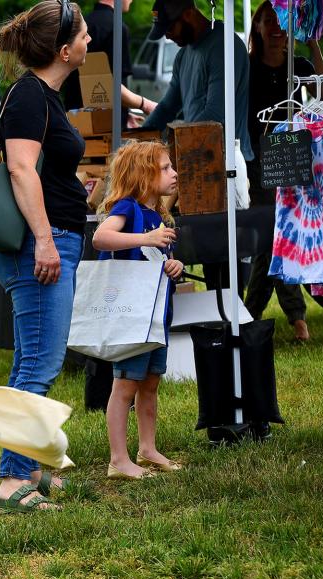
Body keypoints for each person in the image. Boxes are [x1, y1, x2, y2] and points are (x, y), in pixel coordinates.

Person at [0, 0, 91, 512]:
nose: (91, 43)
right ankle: (11, 480)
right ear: (64, 49)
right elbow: (21, 170)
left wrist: (77, 187)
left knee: (30, 359)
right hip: (39, 248)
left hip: (49, 241)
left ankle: (25, 466)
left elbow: (43, 171)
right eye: (86, 36)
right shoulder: (30, 96)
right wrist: (47, 240)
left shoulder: (43, 95)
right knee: (41, 365)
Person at [142, 0, 252, 292]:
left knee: (228, 251)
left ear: (188, 13)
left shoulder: (225, 46)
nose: (168, 36)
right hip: (197, 164)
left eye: (170, 28)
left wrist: (171, 145)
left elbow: (214, 117)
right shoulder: (183, 56)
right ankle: (219, 320)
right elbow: (168, 105)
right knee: (209, 250)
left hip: (225, 163)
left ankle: (233, 320)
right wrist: (140, 139)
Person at [93, 141, 185, 479]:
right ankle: (118, 459)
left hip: (155, 316)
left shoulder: (158, 216)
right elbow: (101, 238)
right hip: (131, 317)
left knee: (150, 384)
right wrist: (145, 239)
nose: (173, 173)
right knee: (125, 387)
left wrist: (174, 265)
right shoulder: (128, 209)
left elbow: (159, 259)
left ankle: (147, 448)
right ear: (142, 175)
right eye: (164, 168)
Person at [245, 1, 323, 342]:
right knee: (273, 233)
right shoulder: (247, 69)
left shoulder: (299, 65)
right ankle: (294, 317)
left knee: (277, 237)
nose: (276, 28)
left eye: (282, 21)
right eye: (268, 21)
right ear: (258, 28)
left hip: (293, 161)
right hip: (260, 162)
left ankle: (252, 312)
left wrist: (312, 40)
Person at [61, 0, 158, 125]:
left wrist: (124, 114)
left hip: (74, 120)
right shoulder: (117, 28)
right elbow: (113, 86)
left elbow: (86, 81)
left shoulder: (79, 26)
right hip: (105, 126)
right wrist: (146, 105)